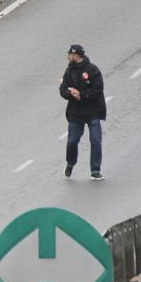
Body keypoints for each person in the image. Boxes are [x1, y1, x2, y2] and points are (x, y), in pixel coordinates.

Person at [59, 44, 106, 180]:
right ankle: (70, 163)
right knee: (72, 142)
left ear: (75, 55)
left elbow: (98, 90)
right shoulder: (69, 71)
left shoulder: (92, 70)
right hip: (76, 113)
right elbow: (63, 89)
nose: (67, 57)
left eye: (69, 54)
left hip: (92, 111)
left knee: (96, 140)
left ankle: (95, 170)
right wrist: (70, 93)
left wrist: (82, 94)